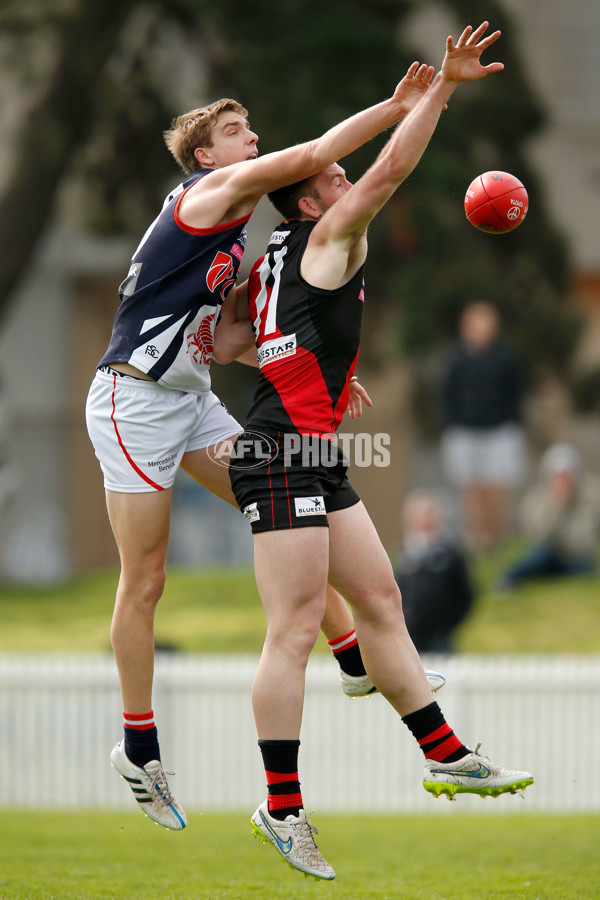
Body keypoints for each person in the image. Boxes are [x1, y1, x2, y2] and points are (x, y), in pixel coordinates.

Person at [85, 70, 446, 831]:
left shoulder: (230, 225)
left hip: (189, 401)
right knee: (145, 578)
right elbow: (316, 151)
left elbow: (231, 341)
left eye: (249, 129)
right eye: (236, 133)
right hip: (134, 405)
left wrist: (309, 371)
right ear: (207, 158)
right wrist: (396, 106)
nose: (251, 139)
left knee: (280, 497)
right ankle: (137, 745)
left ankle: (355, 656)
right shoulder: (207, 196)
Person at [220, 22, 533, 881]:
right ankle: (281, 808)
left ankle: (444, 754)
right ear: (312, 204)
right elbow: (393, 168)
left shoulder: (280, 253)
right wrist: (444, 89)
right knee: (290, 634)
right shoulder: (328, 238)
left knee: (384, 601)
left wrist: (308, 369)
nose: (347, 176)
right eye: (333, 176)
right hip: (281, 451)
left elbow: (229, 342)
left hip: (307, 444)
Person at [440, 301, 526, 553]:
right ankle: (477, 540)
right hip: (464, 431)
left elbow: (513, 395)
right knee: (471, 486)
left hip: (499, 430)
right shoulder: (455, 361)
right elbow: (447, 397)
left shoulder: (504, 360)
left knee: (496, 486)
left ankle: (498, 538)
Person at [498, 442, 600, 590]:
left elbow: (586, 537)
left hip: (577, 555)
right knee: (539, 558)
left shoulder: (592, 493)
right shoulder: (536, 499)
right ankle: (510, 577)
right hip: (549, 553)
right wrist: (556, 506)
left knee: (584, 567)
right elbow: (537, 536)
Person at [394, 490, 474, 653]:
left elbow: (465, 593)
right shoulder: (405, 553)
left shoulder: (449, 554)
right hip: (411, 633)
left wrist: (448, 623)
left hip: (440, 636)